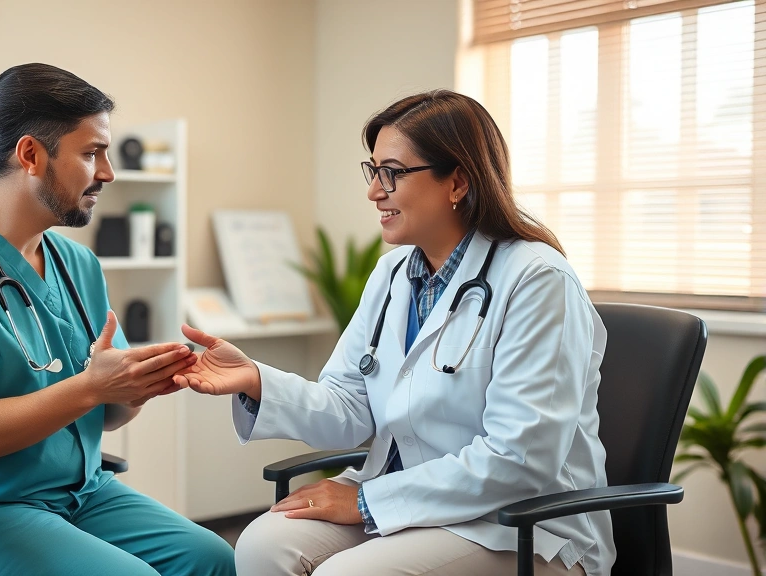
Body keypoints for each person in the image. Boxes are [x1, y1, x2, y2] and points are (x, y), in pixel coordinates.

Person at [174, 89, 614, 576]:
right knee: (262, 545)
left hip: (520, 524)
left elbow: (520, 458)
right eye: (373, 171)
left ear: (458, 182)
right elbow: (349, 406)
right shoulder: (392, 274)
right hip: (408, 500)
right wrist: (256, 379)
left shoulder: (536, 280)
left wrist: (365, 500)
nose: (373, 191)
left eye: (393, 173)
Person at [0, 63, 235, 576]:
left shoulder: (75, 263)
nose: (107, 172)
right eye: (91, 153)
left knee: (215, 560)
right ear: (31, 154)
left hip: (76, 493)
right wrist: (92, 388)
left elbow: (106, 412)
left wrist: (138, 385)